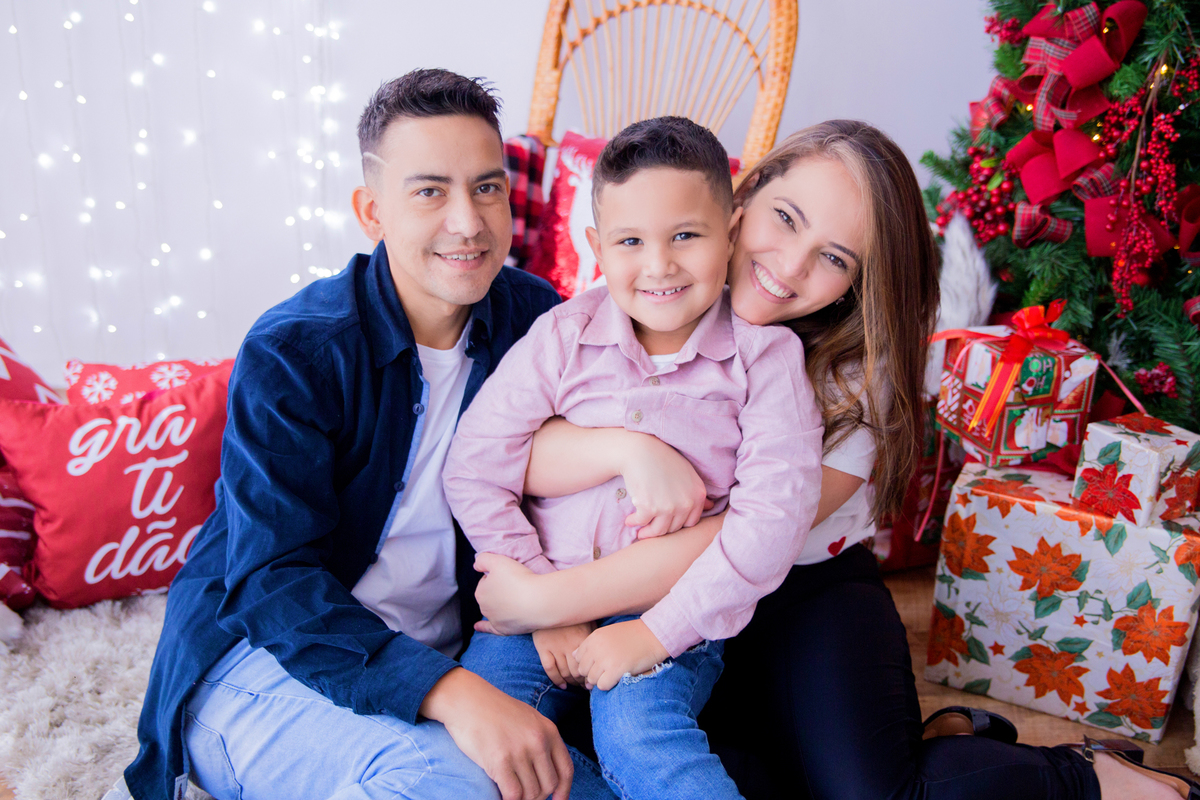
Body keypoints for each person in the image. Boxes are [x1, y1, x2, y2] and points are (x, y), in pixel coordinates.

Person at [466, 120, 1191, 800]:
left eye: (835, 258)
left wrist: (548, 603)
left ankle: (1084, 777)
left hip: (796, 590)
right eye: (785, 219)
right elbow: (512, 454)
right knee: (690, 763)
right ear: (743, 201)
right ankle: (944, 737)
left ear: (859, 279)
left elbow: (744, 535)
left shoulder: (851, 376)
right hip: (677, 598)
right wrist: (628, 451)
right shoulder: (642, 298)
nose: (789, 266)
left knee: (870, 794)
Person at [112, 69, 586, 800]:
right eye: (430, 192)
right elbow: (273, 583)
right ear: (372, 212)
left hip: (440, 657)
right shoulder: (296, 351)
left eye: (487, 188)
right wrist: (456, 695)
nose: (468, 221)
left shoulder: (537, 321)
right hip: (264, 658)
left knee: (568, 778)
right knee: (451, 782)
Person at [443, 117, 822, 799]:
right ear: (596, 246)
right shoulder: (563, 335)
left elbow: (772, 524)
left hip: (670, 615)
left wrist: (654, 634)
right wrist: (543, 600)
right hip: (535, 603)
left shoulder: (765, 359)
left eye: (686, 236)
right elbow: (474, 464)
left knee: (636, 734)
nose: (659, 265)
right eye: (630, 241)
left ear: (731, 232)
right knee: (482, 746)